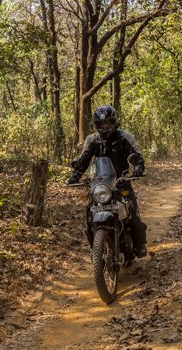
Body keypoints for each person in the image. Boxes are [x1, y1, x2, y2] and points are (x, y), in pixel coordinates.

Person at [67, 105, 148, 258]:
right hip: (100, 184)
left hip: (121, 181)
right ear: (96, 124)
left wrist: (138, 167)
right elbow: (84, 159)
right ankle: (95, 249)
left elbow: (135, 154)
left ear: (114, 122)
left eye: (108, 123)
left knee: (132, 212)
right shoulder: (92, 139)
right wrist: (75, 175)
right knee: (89, 213)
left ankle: (139, 244)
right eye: (101, 124)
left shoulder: (124, 137)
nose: (105, 126)